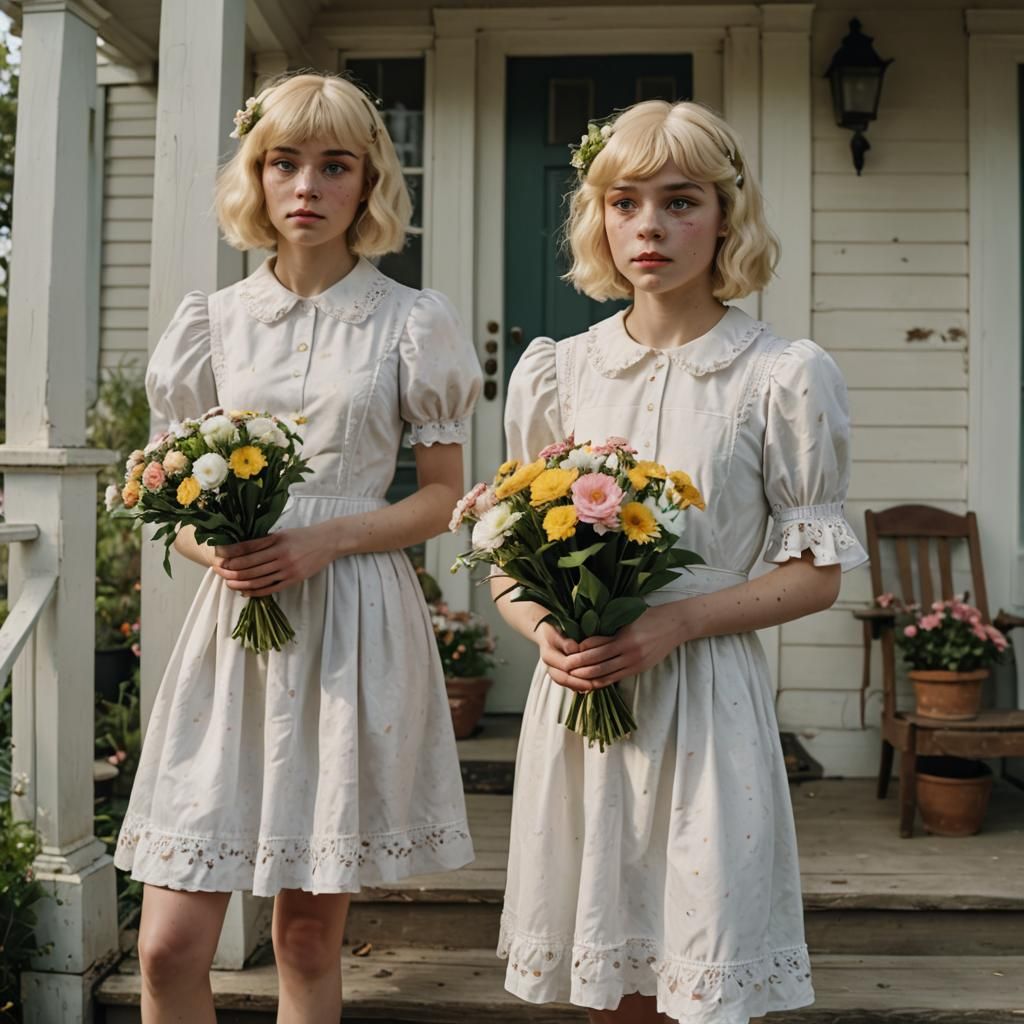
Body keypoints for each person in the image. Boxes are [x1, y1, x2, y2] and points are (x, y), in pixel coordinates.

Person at [114, 72, 481, 1023]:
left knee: (307, 938)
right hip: (234, 631)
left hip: (353, 624)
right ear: (257, 174)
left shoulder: (412, 322)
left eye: (333, 164)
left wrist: (323, 540)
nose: (306, 186)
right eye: (284, 163)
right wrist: (221, 553)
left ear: (367, 184)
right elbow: (168, 495)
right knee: (165, 951)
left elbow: (445, 500)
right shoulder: (212, 324)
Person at [492, 99, 868, 1024]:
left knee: (697, 982)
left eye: (680, 200)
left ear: (727, 216)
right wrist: (546, 631)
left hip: (705, 700)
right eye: (625, 202)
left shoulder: (780, 375)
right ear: (600, 217)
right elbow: (508, 560)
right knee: (607, 980)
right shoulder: (555, 373)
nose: (649, 225)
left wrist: (676, 620)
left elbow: (817, 573)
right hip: (582, 701)